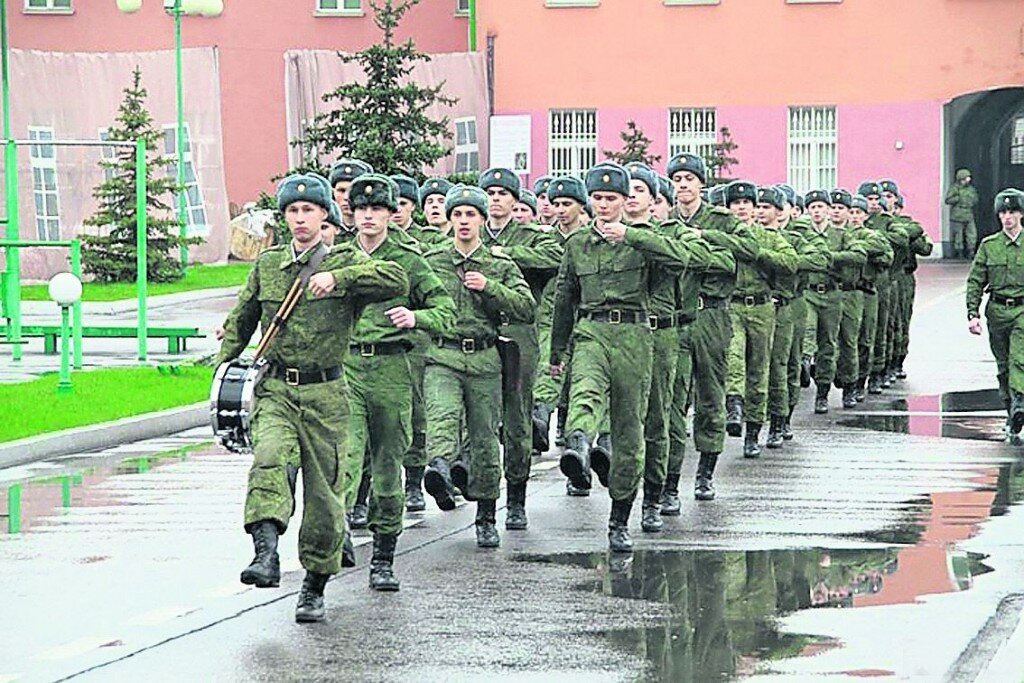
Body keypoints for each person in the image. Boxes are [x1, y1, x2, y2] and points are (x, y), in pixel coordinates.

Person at [216, 172, 409, 623]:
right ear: (284, 217)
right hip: (278, 388)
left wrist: (338, 280)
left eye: (308, 210)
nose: (300, 219)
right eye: (292, 211)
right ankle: (266, 555)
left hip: (327, 394)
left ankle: (314, 587)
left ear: (325, 214)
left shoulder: (344, 258)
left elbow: (395, 277)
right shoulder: (268, 266)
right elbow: (242, 319)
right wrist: (222, 367)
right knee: (269, 459)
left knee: (325, 498)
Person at [550, 162, 692, 552]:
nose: (604, 205)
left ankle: (620, 518)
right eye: (597, 198)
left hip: (634, 336)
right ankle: (577, 445)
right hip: (591, 330)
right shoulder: (578, 244)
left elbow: (680, 260)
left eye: (611, 199)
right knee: (585, 391)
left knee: (631, 430)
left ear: (625, 201)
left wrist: (631, 235)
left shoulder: (644, 238)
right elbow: (565, 298)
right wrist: (557, 352)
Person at [341, 174, 455, 591]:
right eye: (361, 209)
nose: (369, 216)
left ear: (392, 214)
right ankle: (337, 534)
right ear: (351, 214)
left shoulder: (408, 259)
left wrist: (416, 317)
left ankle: (384, 556)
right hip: (347, 369)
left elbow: (445, 309)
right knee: (345, 456)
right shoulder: (337, 258)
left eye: (377, 210)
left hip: (392, 371)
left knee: (388, 465)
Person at [421, 185, 536, 546]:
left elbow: (526, 307)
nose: (464, 221)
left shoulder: (499, 265)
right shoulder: (433, 260)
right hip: (443, 354)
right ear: (450, 220)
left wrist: (490, 288)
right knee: (442, 413)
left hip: (486, 357)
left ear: (484, 220)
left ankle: (486, 514)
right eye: (457, 214)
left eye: (471, 214)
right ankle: (439, 467)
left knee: (485, 437)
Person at [663, 153, 754, 503]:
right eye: (678, 179)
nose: (683, 185)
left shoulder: (722, 219)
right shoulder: (665, 221)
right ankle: (670, 483)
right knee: (671, 399)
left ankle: (705, 472)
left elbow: (749, 249)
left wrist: (706, 236)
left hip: (712, 315)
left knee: (710, 395)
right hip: (675, 317)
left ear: (702, 183)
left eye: (690, 178)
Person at [478, 167, 563, 530]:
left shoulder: (533, 236)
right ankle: (483, 500)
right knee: (479, 418)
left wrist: (503, 253)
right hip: (480, 333)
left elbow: (555, 257)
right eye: (490, 194)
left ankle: (516, 497)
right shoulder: (467, 232)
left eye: (502, 194)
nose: (496, 200)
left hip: (519, 335)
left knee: (516, 418)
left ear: (515, 201)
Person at [725, 182, 797, 458]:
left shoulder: (767, 237)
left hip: (763, 308)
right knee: (734, 356)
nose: (741, 208)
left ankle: (753, 431)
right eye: (735, 203)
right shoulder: (723, 236)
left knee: (759, 371)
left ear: (755, 209)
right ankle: (734, 405)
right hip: (732, 306)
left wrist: (758, 254)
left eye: (746, 203)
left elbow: (790, 262)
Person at [534, 176, 590, 490]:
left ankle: (578, 465)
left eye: (566, 204)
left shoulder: (591, 238)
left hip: (587, 322)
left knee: (581, 396)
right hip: (552, 322)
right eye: (555, 204)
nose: (560, 210)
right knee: (550, 374)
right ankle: (541, 420)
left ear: (581, 206)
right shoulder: (545, 239)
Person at [763, 186, 828, 447]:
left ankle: (782, 419)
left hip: (793, 304)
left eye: (771, 207)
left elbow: (820, 259)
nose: (764, 212)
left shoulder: (798, 237)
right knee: (765, 366)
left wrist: (786, 261)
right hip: (762, 306)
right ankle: (765, 417)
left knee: (787, 364)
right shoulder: (756, 235)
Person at [801, 190, 868, 414]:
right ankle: (804, 362)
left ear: (828, 210)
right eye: (813, 207)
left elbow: (859, 255)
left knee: (829, 344)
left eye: (821, 207)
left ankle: (828, 390)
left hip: (832, 294)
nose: (817, 211)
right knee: (808, 331)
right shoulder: (802, 234)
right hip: (809, 292)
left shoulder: (841, 235)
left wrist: (833, 258)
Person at [967, 189, 1024, 439]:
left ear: (1021, 214)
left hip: (1023, 310)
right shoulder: (989, 246)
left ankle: (1020, 403)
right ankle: (1010, 408)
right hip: (997, 311)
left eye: (1012, 212)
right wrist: (973, 313)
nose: (1007, 217)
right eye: (1003, 212)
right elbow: (976, 280)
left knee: (1018, 359)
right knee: (1003, 365)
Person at [844, 195, 892, 406]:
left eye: (859, 213)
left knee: (866, 338)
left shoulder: (872, 235)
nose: (854, 216)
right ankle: (848, 380)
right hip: (846, 291)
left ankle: (862, 379)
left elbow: (886, 254)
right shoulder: (841, 235)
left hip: (867, 290)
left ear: (865, 216)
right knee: (847, 340)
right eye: (852, 212)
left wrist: (866, 253)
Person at [892, 194, 933, 378]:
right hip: (883, 277)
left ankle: (898, 359)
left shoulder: (907, 225)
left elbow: (924, 249)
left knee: (901, 319)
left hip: (904, 276)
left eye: (890, 197)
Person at [328, 159, 373, 241]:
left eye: (352, 191)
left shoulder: (375, 230)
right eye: (341, 190)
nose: (346, 197)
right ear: (333, 192)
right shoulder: (324, 230)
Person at [946, 168, 980, 259]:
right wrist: (957, 199)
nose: (968, 179)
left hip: (968, 214)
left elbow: (976, 199)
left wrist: (971, 201)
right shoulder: (954, 188)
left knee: (972, 233)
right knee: (958, 235)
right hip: (957, 214)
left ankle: (971, 251)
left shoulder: (971, 189)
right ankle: (959, 252)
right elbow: (948, 200)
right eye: (966, 177)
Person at [413, 177, 455, 246]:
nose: (434, 205)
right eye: (430, 202)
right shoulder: (416, 240)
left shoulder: (462, 238)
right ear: (424, 209)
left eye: (441, 201)